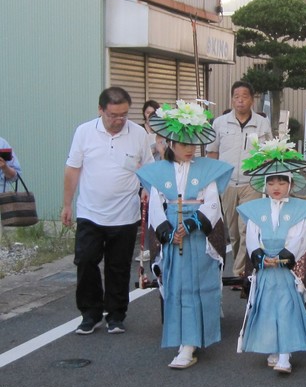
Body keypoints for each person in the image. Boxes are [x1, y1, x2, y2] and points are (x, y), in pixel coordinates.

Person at [137, 100, 233, 369]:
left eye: (193, 143)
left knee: (199, 286)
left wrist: (191, 225)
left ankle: (193, 341)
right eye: (183, 144)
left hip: (198, 236)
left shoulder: (207, 170)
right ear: (170, 144)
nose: (190, 149)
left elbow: (213, 203)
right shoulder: (159, 171)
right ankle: (184, 341)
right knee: (177, 287)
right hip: (173, 237)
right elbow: (156, 205)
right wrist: (166, 232)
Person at [62, 87, 154, 335]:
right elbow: (73, 169)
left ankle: (116, 314)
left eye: (123, 114)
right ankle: (90, 314)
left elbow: (148, 169)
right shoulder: (84, 132)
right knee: (86, 261)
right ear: (100, 110)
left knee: (119, 266)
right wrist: (67, 203)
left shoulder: (138, 134)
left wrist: (147, 189)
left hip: (125, 213)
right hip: (90, 212)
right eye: (113, 115)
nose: (119, 120)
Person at [236, 137, 306, 374]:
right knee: (266, 308)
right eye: (271, 182)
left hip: (287, 271)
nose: (276, 187)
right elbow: (252, 235)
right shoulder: (256, 210)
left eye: (282, 182)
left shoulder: (298, 210)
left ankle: (285, 353)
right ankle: (273, 347)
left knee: (286, 309)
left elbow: (299, 237)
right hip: (265, 270)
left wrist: (286, 255)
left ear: (290, 184)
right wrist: (258, 255)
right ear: (264, 184)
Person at [206, 81, 271, 280]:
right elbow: (212, 152)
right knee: (233, 232)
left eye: (244, 96)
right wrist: (212, 184)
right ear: (232, 99)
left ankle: (240, 272)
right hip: (226, 183)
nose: (240, 100)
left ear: (252, 99)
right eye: (236, 96)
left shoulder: (261, 123)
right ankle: (239, 263)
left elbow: (268, 153)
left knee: (247, 229)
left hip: (251, 183)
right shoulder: (220, 123)